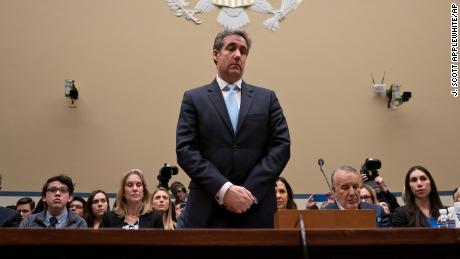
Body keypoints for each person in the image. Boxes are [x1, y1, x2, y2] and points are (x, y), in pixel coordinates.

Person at [176, 30, 291, 228]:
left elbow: (281, 146)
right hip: (207, 209)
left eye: (243, 51)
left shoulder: (267, 98)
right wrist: (225, 189)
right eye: (231, 48)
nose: (238, 55)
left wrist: (248, 192)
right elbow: (186, 151)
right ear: (215, 54)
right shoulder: (194, 99)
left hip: (256, 208)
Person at [322, 166, 389, 227]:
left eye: (355, 187)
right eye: (345, 188)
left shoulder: (377, 211)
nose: (352, 193)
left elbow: (387, 238)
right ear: (334, 191)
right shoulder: (323, 215)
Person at [19, 175, 87, 228]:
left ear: (69, 198)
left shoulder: (79, 223)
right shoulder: (29, 221)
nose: (57, 193)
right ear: (44, 197)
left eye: (63, 190)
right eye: (52, 190)